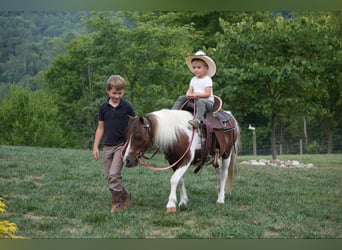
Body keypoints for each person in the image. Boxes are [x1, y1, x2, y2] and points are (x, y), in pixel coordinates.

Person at [93, 75, 136, 212]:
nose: (117, 96)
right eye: (114, 93)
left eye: (120, 93)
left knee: (114, 174)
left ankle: (116, 203)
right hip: (107, 146)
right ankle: (125, 194)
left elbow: (135, 121)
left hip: (121, 146)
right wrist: (95, 147)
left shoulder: (126, 106)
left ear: (123, 92)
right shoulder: (103, 108)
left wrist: (132, 141)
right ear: (108, 91)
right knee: (108, 176)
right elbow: (100, 128)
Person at [172, 50, 216, 128]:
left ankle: (198, 120)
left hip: (207, 102)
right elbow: (190, 89)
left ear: (206, 68)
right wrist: (188, 94)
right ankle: (172, 113)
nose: (196, 69)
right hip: (195, 99)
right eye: (194, 67)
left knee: (201, 102)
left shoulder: (207, 79)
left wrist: (196, 95)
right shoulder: (193, 79)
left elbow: (207, 94)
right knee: (181, 98)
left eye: (199, 67)